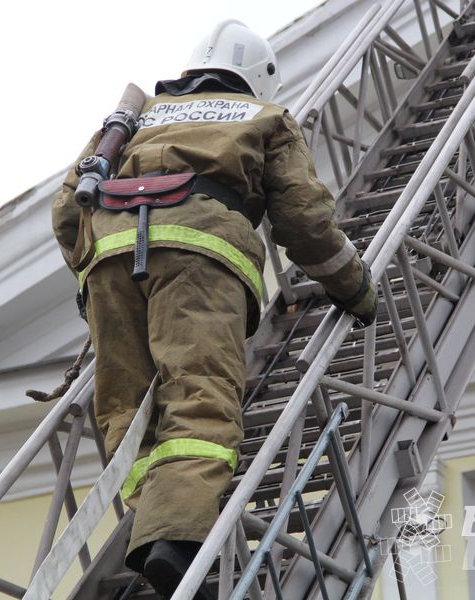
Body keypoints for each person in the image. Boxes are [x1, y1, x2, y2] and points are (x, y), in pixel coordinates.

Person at [51, 19, 377, 598]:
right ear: (258, 80)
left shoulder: (135, 119)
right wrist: (353, 288)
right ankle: (177, 544)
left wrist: (99, 282)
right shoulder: (265, 118)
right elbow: (303, 218)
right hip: (199, 259)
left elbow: (65, 211)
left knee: (126, 408)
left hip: (107, 256)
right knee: (199, 397)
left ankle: (153, 525)